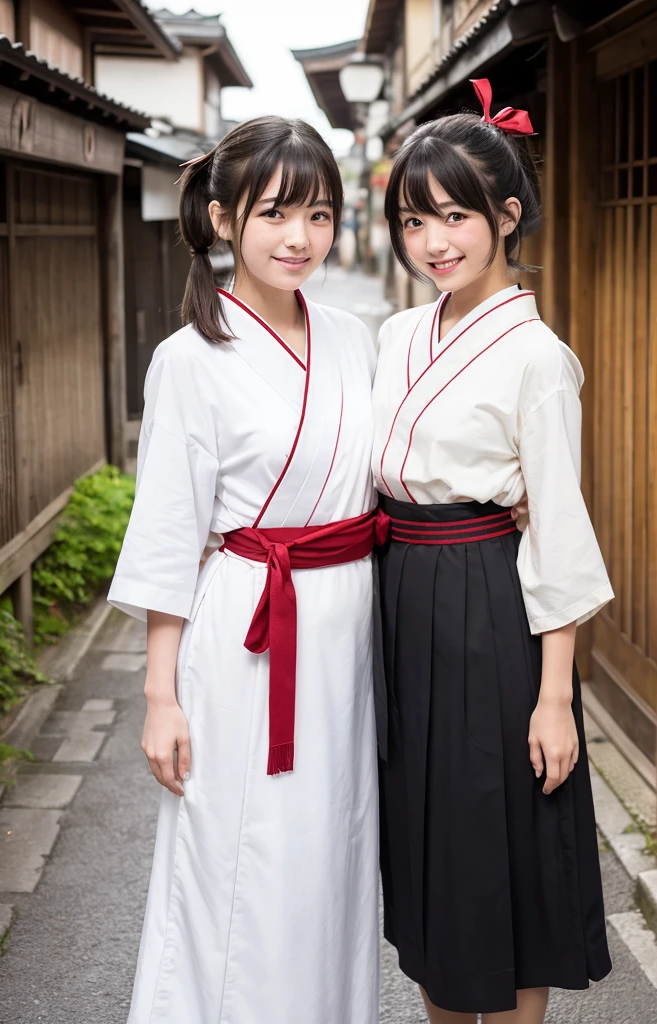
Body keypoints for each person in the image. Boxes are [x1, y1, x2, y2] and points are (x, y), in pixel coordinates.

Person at [108, 115, 381, 1024]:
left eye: (319, 214)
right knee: (238, 859)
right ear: (224, 221)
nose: (299, 237)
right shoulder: (189, 358)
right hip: (246, 634)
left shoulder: (351, 338)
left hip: (346, 626)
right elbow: (166, 530)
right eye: (275, 214)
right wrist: (160, 694)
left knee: (333, 854)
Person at [372, 79, 614, 1024]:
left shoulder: (536, 357)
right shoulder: (397, 334)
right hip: (402, 599)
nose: (435, 242)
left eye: (456, 217)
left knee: (501, 853)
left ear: (506, 217)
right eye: (414, 220)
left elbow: (556, 526)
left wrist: (556, 698)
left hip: (490, 609)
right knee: (432, 854)